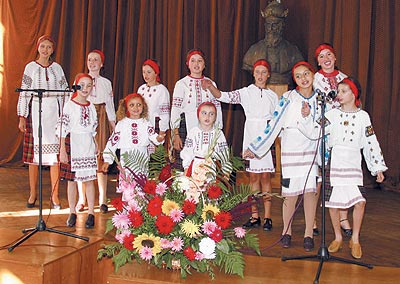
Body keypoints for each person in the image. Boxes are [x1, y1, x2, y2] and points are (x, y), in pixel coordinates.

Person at [302, 77, 387, 259]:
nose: (339, 95)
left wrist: (377, 167)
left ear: (353, 94)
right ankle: (338, 237)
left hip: (353, 163)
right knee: (333, 204)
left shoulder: (363, 117)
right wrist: (307, 116)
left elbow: (371, 142)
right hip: (336, 163)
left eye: (343, 91)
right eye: (338, 91)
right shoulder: (332, 115)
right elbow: (315, 131)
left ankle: (355, 239)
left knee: (360, 202)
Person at [243, 61, 319, 252]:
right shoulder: (287, 98)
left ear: (313, 75)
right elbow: (274, 125)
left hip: (311, 151)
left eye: (306, 74)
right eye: (299, 76)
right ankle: (286, 231)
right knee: (290, 194)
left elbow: (324, 128)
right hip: (291, 150)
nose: (303, 78)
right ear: (295, 80)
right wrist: (256, 147)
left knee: (310, 193)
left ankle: (309, 233)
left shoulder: (321, 100)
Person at [201, 59, 278, 231]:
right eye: (257, 72)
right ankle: (254, 215)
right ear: (253, 74)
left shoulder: (273, 96)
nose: (260, 75)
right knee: (253, 177)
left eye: (263, 72)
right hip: (251, 136)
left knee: (266, 177)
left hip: (266, 138)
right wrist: (210, 87)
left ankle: (268, 216)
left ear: (268, 75)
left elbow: (277, 119)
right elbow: (223, 96)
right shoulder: (246, 92)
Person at [17, 35, 68, 209]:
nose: (45, 50)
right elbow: (24, 92)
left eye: (49, 47)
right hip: (36, 112)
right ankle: (33, 194)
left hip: (54, 113)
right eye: (43, 46)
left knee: (54, 157)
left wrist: (66, 115)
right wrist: (22, 116)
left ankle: (55, 196)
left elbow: (65, 92)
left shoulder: (57, 69)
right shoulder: (30, 67)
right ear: (38, 48)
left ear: (52, 50)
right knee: (34, 158)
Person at [313, 43, 350, 237]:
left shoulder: (344, 79)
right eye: (321, 56)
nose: (326, 58)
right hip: (323, 132)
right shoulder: (314, 79)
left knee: (341, 176)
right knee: (319, 177)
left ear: (335, 57)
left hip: (341, 133)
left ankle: (343, 217)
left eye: (329, 54)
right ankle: (313, 219)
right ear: (317, 61)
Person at [75, 50, 116, 214]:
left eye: (96, 60)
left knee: (101, 160)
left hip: (101, 120)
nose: (92, 63)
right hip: (83, 120)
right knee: (83, 158)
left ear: (101, 64)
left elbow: (110, 105)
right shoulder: (79, 80)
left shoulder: (106, 83)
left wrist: (114, 127)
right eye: (90, 59)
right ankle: (81, 199)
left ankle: (102, 198)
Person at [57, 73, 98, 228]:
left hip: (87, 143)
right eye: (82, 85)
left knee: (88, 179)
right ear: (76, 85)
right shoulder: (69, 105)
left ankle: (91, 213)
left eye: (89, 85)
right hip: (72, 143)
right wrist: (62, 149)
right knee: (72, 181)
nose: (85, 89)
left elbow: (94, 128)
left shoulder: (91, 106)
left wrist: (96, 143)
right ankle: (72, 212)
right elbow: (62, 128)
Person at [170, 48, 223, 168]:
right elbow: (176, 109)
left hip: (208, 128)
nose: (196, 64)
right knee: (184, 162)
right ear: (187, 64)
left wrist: (218, 131)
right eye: (193, 61)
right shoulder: (181, 84)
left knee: (207, 161)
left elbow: (217, 108)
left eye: (199, 61)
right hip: (185, 126)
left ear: (204, 65)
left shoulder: (211, 84)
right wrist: (176, 134)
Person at [101, 94, 165, 182]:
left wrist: (158, 139)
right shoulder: (121, 124)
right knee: (128, 185)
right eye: (132, 105)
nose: (136, 107)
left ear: (143, 106)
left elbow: (153, 135)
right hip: (126, 157)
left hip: (142, 156)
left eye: (139, 105)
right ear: (126, 107)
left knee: (141, 183)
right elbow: (113, 142)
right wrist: (107, 160)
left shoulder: (146, 123)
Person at [242, 0, 304, 85]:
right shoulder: (253, 51)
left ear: (282, 25)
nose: (271, 28)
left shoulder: (293, 51)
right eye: (268, 24)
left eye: (275, 24)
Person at [180, 102, 231, 186]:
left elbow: (224, 153)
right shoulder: (193, 132)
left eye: (211, 114)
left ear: (215, 117)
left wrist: (226, 171)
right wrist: (186, 167)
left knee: (210, 189)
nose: (207, 117)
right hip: (195, 167)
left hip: (212, 167)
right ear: (198, 115)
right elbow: (187, 151)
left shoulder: (218, 133)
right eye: (204, 113)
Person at [137, 59, 170, 153]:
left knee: (153, 159)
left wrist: (161, 134)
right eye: (143, 72)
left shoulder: (162, 90)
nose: (145, 75)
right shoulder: (141, 89)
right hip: (141, 127)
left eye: (149, 72)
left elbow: (165, 114)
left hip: (154, 127)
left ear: (156, 73)